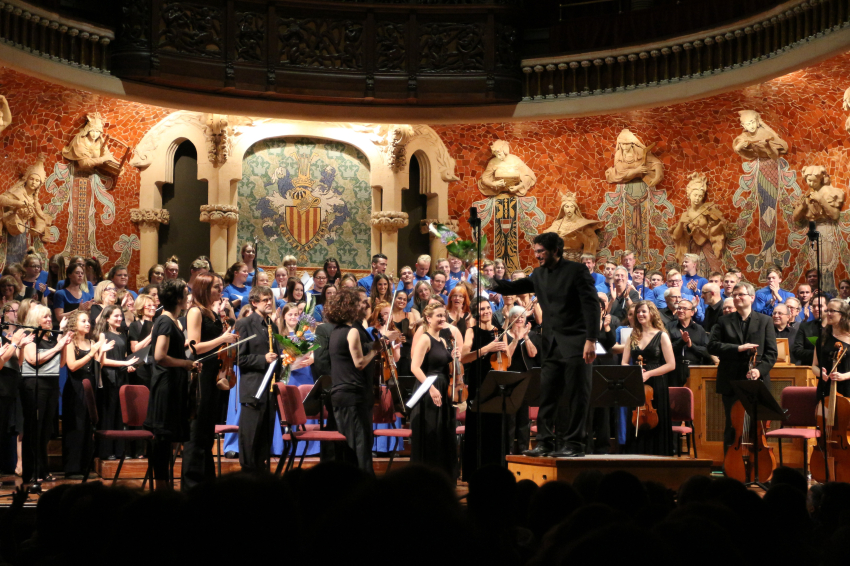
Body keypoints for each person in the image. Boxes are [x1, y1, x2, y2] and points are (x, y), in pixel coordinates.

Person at [489, 232, 600, 458]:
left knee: (578, 395)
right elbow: (510, 288)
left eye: (541, 251)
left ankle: (575, 444)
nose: (537, 255)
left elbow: (592, 306)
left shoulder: (576, 271)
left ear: (556, 251)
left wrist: (591, 339)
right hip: (551, 345)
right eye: (536, 251)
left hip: (577, 342)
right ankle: (545, 442)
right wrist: (484, 279)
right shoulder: (538, 274)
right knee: (547, 394)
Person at [325, 287, 397, 473]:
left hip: (343, 394)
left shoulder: (336, 331)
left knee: (352, 446)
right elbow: (358, 363)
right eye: (362, 302)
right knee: (361, 446)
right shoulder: (352, 332)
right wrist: (376, 349)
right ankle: (364, 487)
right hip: (353, 395)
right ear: (350, 306)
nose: (367, 304)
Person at [182, 274, 238, 490]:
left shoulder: (213, 313)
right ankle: (192, 484)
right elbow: (193, 347)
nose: (220, 290)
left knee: (206, 433)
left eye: (221, 286)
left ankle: (207, 484)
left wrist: (228, 340)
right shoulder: (195, 311)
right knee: (196, 433)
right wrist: (222, 339)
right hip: (201, 376)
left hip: (214, 374)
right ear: (204, 288)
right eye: (216, 287)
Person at [708, 281, 778, 454]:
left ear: (752, 298)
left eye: (741, 294)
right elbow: (712, 346)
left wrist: (758, 370)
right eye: (735, 295)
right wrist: (737, 348)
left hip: (757, 382)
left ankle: (757, 468)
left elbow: (771, 353)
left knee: (756, 426)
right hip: (731, 380)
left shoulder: (765, 321)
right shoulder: (723, 321)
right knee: (732, 425)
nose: (737, 297)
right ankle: (731, 468)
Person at [144, 279, 198, 489]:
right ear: (177, 299)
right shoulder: (166, 321)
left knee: (167, 439)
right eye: (186, 294)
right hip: (165, 387)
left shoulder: (173, 320)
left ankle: (165, 487)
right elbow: (159, 356)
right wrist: (185, 363)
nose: (188, 297)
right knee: (162, 440)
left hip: (174, 384)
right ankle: (161, 489)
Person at [20, 305, 71, 484]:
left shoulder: (51, 337)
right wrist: (58, 346)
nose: (49, 320)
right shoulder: (30, 336)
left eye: (50, 317)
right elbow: (33, 360)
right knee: (34, 430)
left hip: (51, 385)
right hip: (35, 385)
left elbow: (62, 363)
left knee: (45, 432)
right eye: (45, 317)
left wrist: (63, 344)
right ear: (36, 320)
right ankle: (31, 472)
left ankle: (43, 469)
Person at [234, 286, 280, 473]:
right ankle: (248, 476)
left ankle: (261, 477)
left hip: (270, 389)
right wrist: (263, 359)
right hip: (253, 389)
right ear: (254, 303)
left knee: (264, 438)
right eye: (264, 300)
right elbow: (239, 358)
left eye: (270, 299)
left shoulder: (273, 325)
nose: (269, 302)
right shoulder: (244, 324)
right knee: (250, 438)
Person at [459, 298, 508, 474]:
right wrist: (488, 348)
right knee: (478, 429)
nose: (486, 311)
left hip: (496, 384)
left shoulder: (500, 331)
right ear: (476, 313)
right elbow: (464, 357)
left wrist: (513, 341)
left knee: (496, 429)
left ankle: (497, 471)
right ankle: (476, 472)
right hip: (479, 383)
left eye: (488, 308)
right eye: (482, 309)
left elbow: (507, 358)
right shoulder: (472, 332)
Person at [621, 301, 676, 455]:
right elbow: (624, 362)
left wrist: (649, 373)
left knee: (655, 420)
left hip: (657, 383)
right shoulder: (633, 335)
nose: (640, 315)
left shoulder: (662, 335)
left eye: (644, 311)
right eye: (638, 312)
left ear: (652, 313)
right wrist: (634, 372)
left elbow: (671, 364)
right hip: (636, 383)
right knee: (636, 421)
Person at [409, 302, 457, 477]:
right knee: (431, 435)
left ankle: (443, 477)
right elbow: (415, 367)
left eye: (444, 315)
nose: (443, 319)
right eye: (438, 316)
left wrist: (454, 359)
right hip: (429, 391)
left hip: (443, 388)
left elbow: (447, 368)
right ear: (428, 318)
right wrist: (430, 388)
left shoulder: (443, 339)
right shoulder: (424, 338)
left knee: (443, 433)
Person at [63, 311, 111, 479]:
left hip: (90, 386)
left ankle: (85, 466)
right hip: (76, 387)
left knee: (88, 426)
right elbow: (72, 366)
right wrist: (92, 352)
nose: (87, 323)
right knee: (76, 426)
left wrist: (101, 351)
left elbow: (100, 364)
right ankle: (72, 467)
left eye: (88, 321)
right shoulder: (71, 343)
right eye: (83, 321)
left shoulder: (92, 342)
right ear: (75, 324)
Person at [95, 305, 138, 461]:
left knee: (120, 415)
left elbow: (124, 357)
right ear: (107, 318)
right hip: (109, 378)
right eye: (116, 316)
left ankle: (120, 451)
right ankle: (106, 451)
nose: (120, 319)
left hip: (121, 377)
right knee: (109, 413)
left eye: (121, 316)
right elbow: (103, 360)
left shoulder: (122, 335)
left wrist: (129, 365)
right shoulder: (102, 335)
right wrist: (124, 364)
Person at [277, 302, 318, 457]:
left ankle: (311, 448)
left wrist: (312, 357)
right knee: (292, 410)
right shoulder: (280, 334)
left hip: (306, 374)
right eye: (290, 314)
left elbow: (315, 349)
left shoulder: (306, 333)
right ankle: (290, 447)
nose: (294, 317)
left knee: (306, 408)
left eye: (296, 314)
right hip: (290, 376)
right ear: (284, 317)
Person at [666, 299, 713, 387]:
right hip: (675, 370)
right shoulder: (669, 327)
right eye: (679, 308)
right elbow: (665, 350)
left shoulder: (699, 329)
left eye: (684, 308)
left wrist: (692, 346)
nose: (680, 311)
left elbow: (707, 351)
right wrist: (682, 341)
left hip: (694, 369)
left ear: (692, 312)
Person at [813, 300, 850, 398]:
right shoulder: (823, 339)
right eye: (827, 310)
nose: (828, 314)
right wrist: (820, 373)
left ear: (843, 314)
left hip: (847, 387)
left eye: (832, 311)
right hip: (826, 388)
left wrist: (844, 376)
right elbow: (814, 366)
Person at [792, 296, 827, 366]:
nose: (816, 309)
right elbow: (797, 351)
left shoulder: (835, 327)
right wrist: (819, 354)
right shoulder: (805, 327)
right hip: (808, 369)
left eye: (820, 306)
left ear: (828, 307)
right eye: (814, 306)